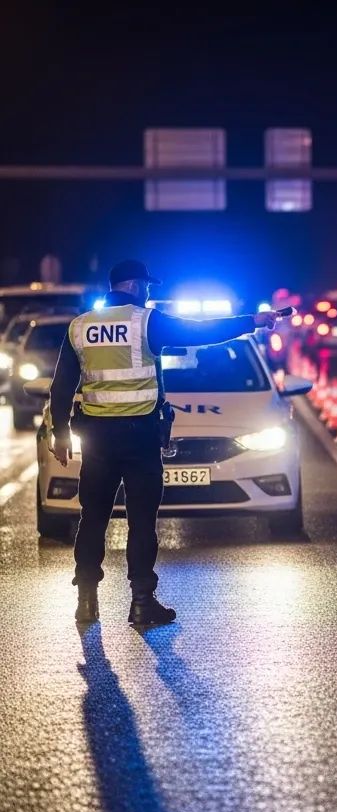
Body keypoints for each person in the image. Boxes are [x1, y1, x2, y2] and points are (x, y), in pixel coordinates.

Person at [48, 259, 284, 626]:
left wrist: (60, 433)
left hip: (96, 439)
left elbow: (61, 385)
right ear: (136, 285)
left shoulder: (81, 326)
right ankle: (142, 602)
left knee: (92, 517)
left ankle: (86, 601)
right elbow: (201, 332)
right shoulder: (145, 321)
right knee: (142, 521)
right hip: (140, 437)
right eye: (147, 287)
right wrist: (253, 321)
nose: (149, 293)